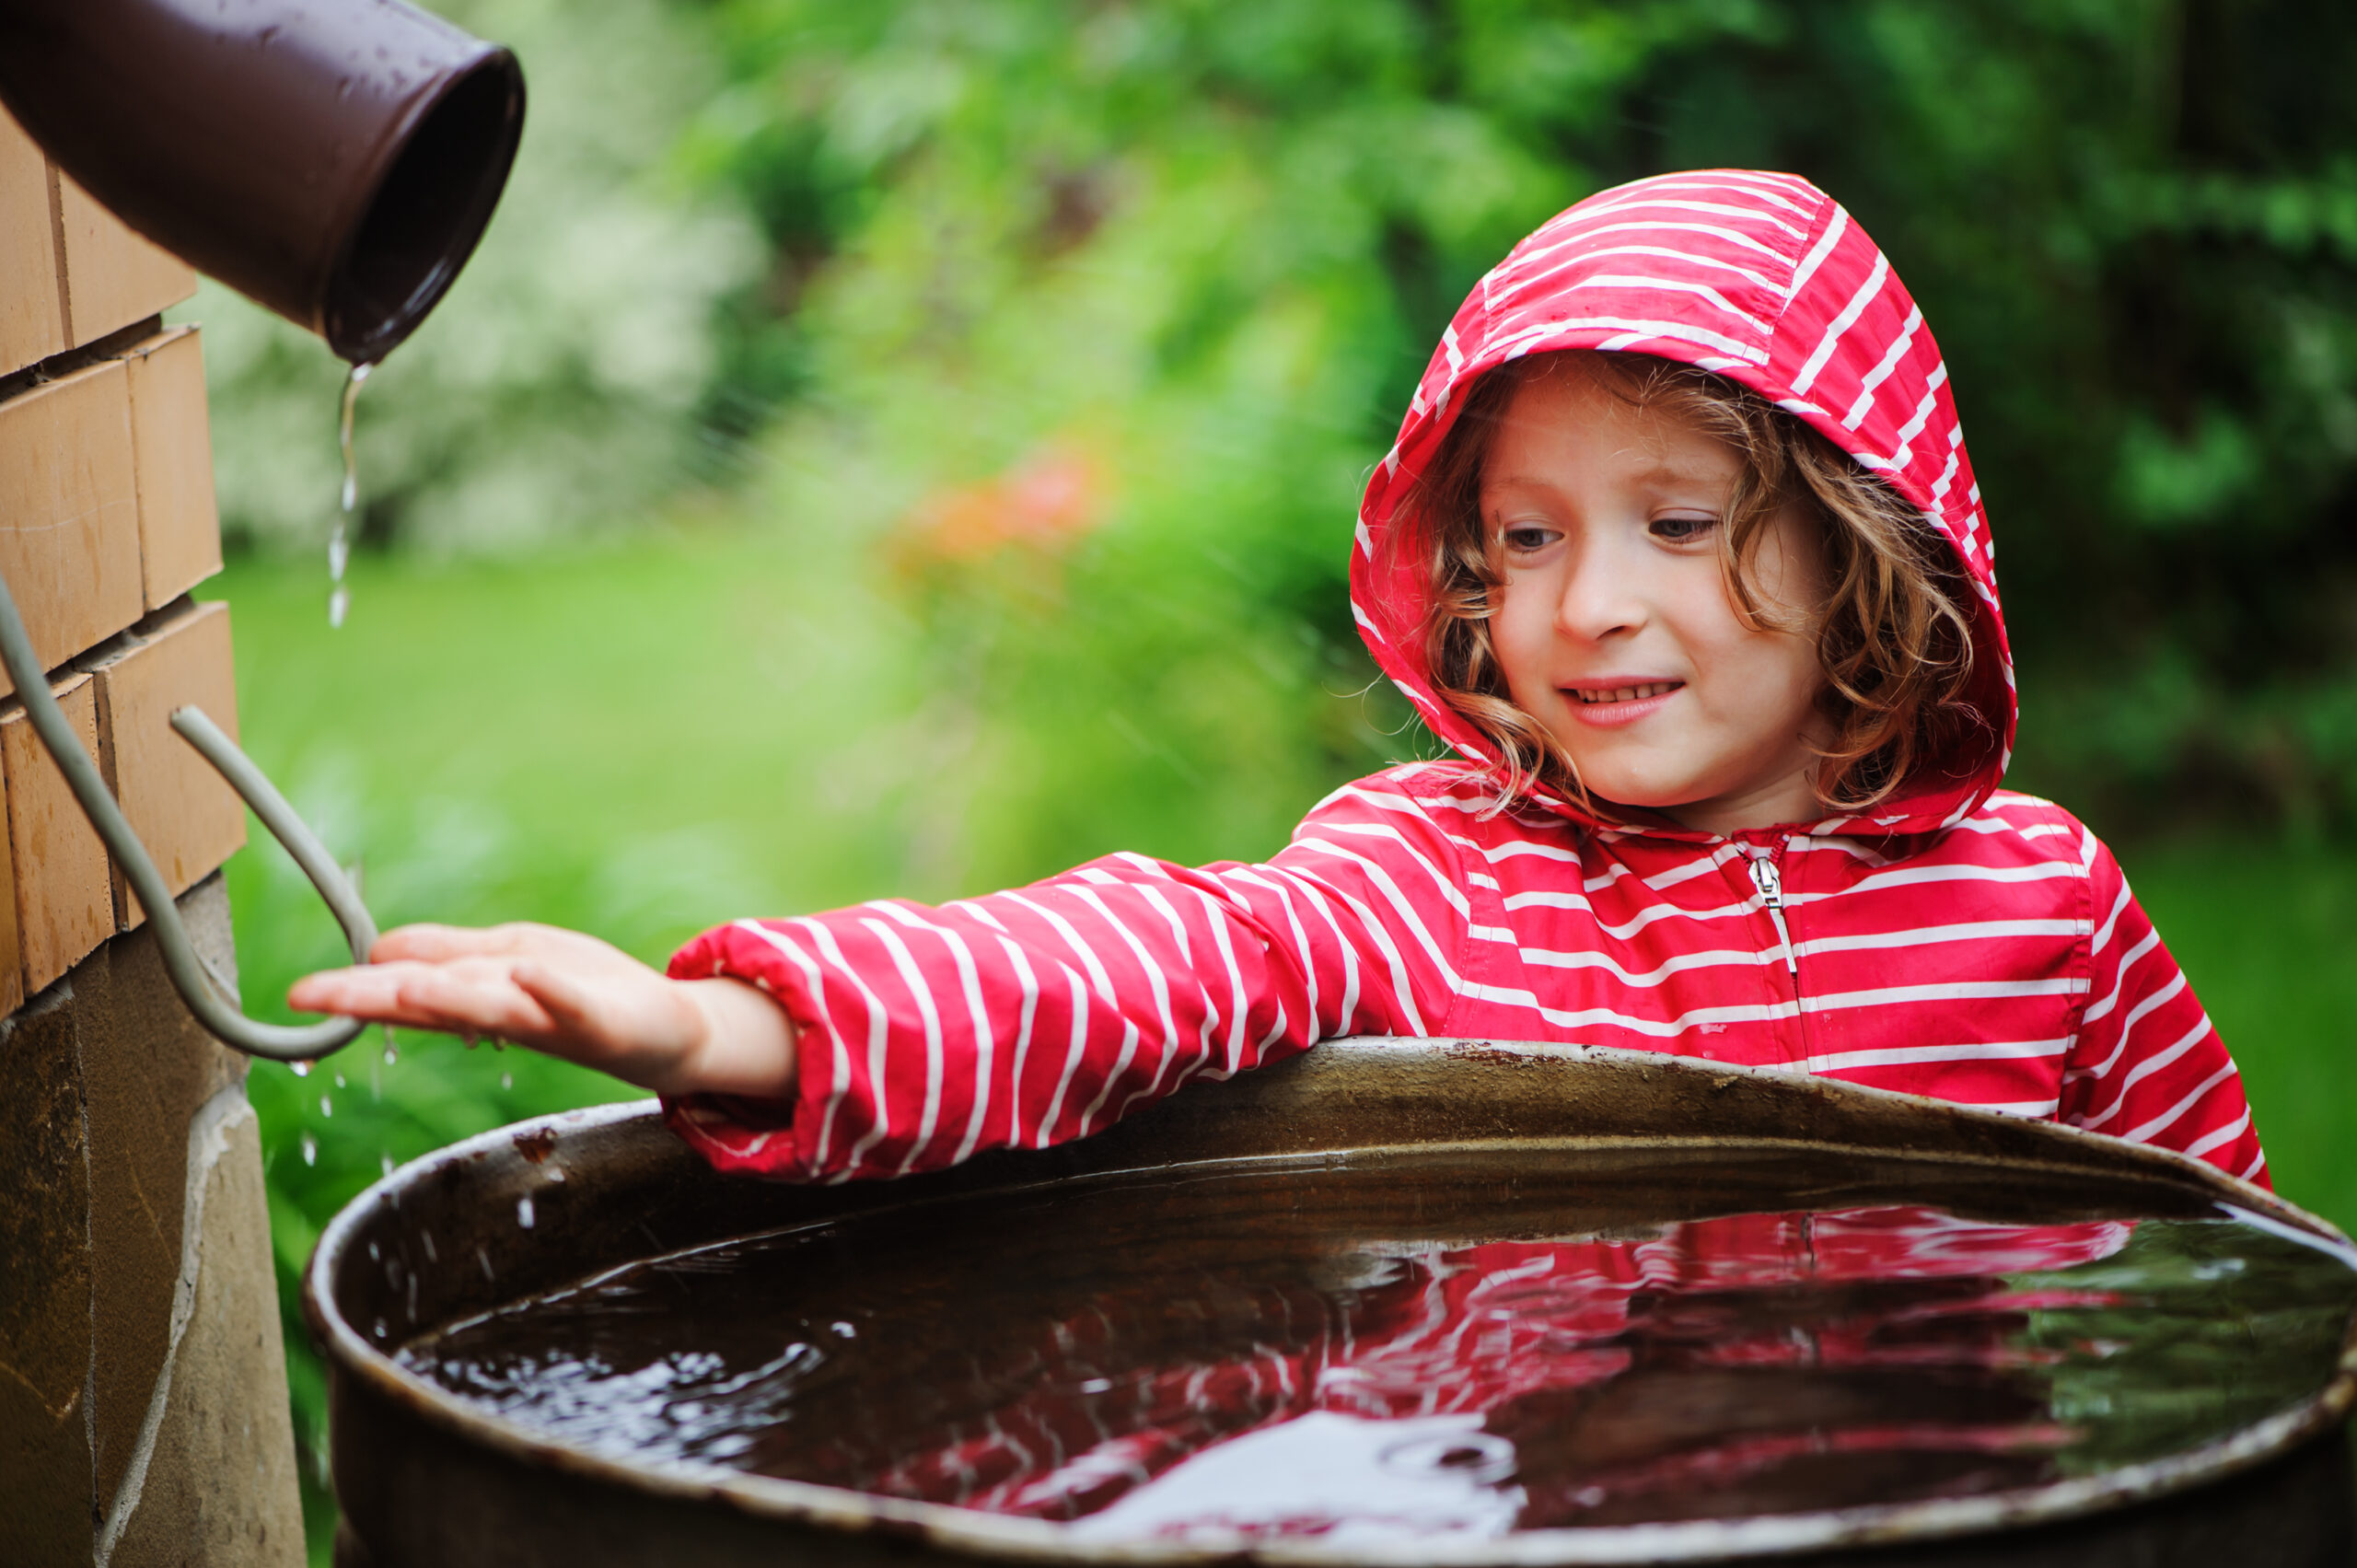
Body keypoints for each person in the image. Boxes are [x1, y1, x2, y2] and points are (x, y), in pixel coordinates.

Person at [291, 168, 2266, 1191]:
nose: (1581, 607)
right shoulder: (1437, 875)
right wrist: (731, 1032)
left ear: (1859, 553)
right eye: (1518, 534)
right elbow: (1138, 959)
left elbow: (2237, 1295)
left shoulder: (2037, 904)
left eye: (1676, 524)